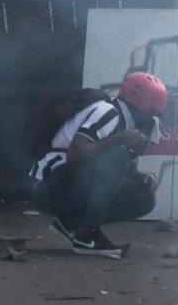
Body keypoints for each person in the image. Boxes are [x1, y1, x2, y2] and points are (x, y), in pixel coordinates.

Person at [32, 71, 170, 257]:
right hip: (50, 187)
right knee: (118, 154)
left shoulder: (128, 121)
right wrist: (119, 140)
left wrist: (140, 177)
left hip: (70, 186)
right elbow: (76, 154)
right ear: (143, 106)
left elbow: (125, 167)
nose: (156, 115)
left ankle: (70, 223)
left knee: (143, 196)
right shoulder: (108, 112)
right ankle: (87, 236)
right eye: (154, 109)